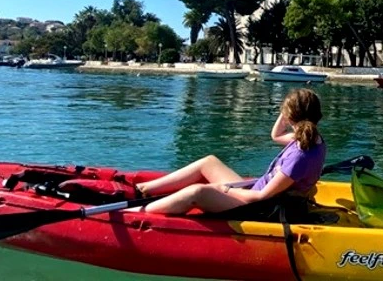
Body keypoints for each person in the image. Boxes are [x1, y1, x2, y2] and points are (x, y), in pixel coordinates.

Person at [133, 88, 326, 215]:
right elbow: (276, 136)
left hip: (258, 207)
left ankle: (140, 211)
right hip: (255, 193)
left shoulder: (301, 154)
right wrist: (285, 114)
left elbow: (262, 197)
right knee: (208, 162)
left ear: (291, 116)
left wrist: (226, 189)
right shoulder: (311, 140)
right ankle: (144, 189)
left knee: (198, 193)